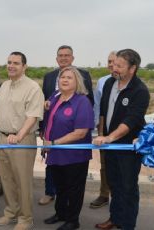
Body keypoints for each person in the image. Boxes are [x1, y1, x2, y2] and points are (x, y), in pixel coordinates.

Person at [93, 49, 150, 230]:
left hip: (128, 148)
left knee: (128, 188)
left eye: (119, 65)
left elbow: (131, 121)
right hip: (110, 146)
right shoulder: (110, 83)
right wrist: (103, 133)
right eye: (113, 64)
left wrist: (109, 137)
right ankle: (115, 218)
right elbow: (103, 112)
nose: (113, 67)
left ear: (132, 68)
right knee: (114, 185)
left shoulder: (140, 91)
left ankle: (127, 225)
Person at [0, 52, 44, 230]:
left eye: (16, 63)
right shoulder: (4, 86)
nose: (11, 66)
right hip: (3, 138)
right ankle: (11, 212)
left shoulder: (33, 88)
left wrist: (19, 136)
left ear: (24, 66)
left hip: (22, 140)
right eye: (9, 62)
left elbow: (32, 116)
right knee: (6, 179)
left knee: (22, 181)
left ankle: (25, 218)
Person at [39, 45, 94, 206]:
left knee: (73, 188)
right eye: (62, 78)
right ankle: (59, 211)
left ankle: (71, 219)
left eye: (69, 78)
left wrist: (53, 143)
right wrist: (45, 133)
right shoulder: (55, 95)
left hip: (73, 152)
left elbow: (81, 131)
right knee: (59, 183)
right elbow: (48, 114)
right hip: (55, 148)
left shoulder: (82, 100)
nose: (64, 80)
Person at [90, 51, 117, 209]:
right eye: (109, 61)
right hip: (104, 130)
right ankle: (104, 194)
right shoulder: (102, 81)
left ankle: (118, 197)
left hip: (123, 133)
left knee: (120, 166)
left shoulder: (133, 83)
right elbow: (97, 105)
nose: (111, 64)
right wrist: (99, 129)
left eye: (114, 61)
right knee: (105, 165)